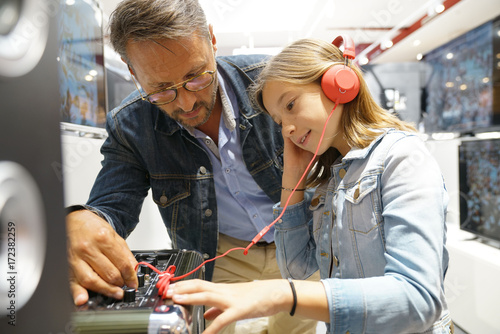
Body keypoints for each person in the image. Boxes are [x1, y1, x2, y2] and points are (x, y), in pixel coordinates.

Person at [166, 38, 454, 334]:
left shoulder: (402, 158)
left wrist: (278, 295)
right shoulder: (330, 179)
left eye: (290, 105)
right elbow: (297, 269)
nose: (286, 128)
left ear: (339, 85)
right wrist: (292, 179)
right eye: (279, 121)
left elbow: (419, 300)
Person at [65, 0, 319, 333]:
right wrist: (79, 222)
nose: (185, 103)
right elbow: (112, 207)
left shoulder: (272, 82)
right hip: (223, 255)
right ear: (131, 71)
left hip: (303, 241)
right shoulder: (131, 125)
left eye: (195, 77)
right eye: (160, 90)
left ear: (211, 40)